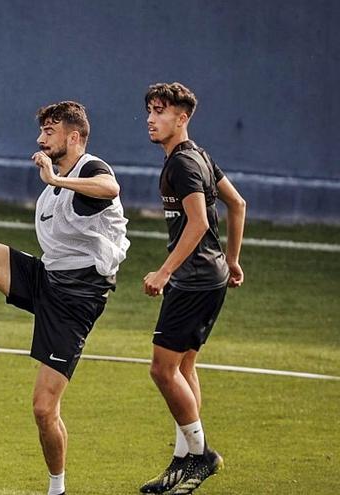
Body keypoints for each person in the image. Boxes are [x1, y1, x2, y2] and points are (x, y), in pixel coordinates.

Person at [0, 101, 129, 495]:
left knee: (43, 409)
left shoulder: (90, 168)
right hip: (47, 278)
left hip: (78, 298)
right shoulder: (56, 179)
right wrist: (54, 180)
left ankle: (57, 488)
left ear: (73, 137)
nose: (40, 138)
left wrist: (57, 179)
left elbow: (111, 188)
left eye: (49, 131)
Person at [139, 82, 246, 495]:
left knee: (162, 370)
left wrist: (164, 272)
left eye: (160, 111)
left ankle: (200, 456)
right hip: (212, 275)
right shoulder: (198, 155)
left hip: (193, 280)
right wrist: (232, 260)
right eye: (149, 110)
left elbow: (200, 223)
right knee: (184, 368)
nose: (151, 118)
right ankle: (184, 460)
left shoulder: (182, 164)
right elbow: (237, 204)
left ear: (181, 118)